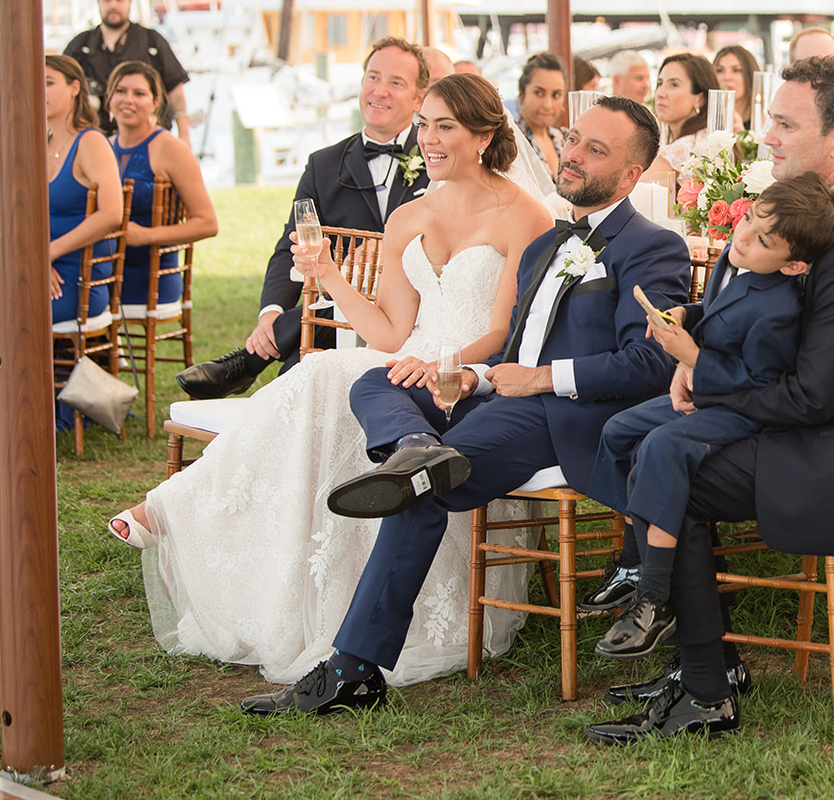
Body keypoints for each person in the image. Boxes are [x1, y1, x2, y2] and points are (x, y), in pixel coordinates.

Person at [238, 96, 691, 715]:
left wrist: (537, 380)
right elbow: (510, 341)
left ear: (633, 175)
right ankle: (412, 446)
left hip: (560, 415)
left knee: (420, 487)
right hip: (494, 394)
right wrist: (471, 376)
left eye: (597, 150)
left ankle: (352, 670)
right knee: (377, 382)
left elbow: (651, 363)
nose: (574, 154)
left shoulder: (652, 247)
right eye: (575, 139)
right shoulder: (548, 245)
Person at [107, 74, 560, 686]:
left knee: (326, 374)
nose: (427, 139)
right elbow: (394, 333)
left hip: (466, 376)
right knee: (327, 371)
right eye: (423, 124)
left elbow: (505, 332)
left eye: (443, 126)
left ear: (484, 135)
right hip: (404, 366)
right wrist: (326, 274)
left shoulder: (524, 215)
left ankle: (177, 504)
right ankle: (394, 463)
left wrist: (442, 365)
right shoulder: (409, 215)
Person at [585, 56, 834, 744]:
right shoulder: (810, 217)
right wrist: (693, 358)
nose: (768, 137)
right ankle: (707, 660)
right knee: (636, 436)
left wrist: (703, 370)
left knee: (675, 469)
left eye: (786, 124)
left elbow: (813, 397)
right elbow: (756, 322)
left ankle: (704, 691)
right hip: (816, 429)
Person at [583, 173, 834, 660]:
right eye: (748, 219)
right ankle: (634, 557)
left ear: (793, 265)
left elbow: (757, 380)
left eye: (762, 239)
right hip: (705, 387)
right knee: (618, 430)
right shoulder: (736, 256)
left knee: (662, 447)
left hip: (741, 407)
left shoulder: (781, 311)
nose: (742, 236)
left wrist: (694, 359)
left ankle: (654, 598)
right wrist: (686, 314)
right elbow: (721, 308)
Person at [174, 37, 433, 399]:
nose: (380, 91)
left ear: (419, 99)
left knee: (306, 340)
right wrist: (270, 313)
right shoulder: (323, 165)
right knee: (296, 367)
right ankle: (271, 361)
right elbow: (291, 246)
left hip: (416, 313)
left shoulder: (436, 159)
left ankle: (247, 363)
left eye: (396, 83)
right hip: (337, 314)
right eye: (373, 78)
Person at [0, 56, 123, 396]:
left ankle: (19, 415)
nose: (40, 90)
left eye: (48, 82)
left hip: (71, 281)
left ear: (74, 87)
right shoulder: (41, 144)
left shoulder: (90, 142)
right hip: (34, 272)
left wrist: (46, 254)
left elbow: (111, 214)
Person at [105, 62, 219, 309]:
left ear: (156, 102)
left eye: (139, 94)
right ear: (109, 98)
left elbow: (208, 223)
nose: (128, 100)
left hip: (150, 275)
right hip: (101, 270)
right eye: (120, 91)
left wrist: (145, 235)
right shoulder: (102, 146)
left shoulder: (171, 149)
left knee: (74, 304)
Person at [64, 0, 193, 146]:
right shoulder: (81, 46)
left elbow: (175, 90)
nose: (113, 5)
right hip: (94, 143)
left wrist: (184, 136)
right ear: (98, 2)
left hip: (149, 143)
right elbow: (62, 92)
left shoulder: (152, 42)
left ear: (129, 2)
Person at [645, 53, 716, 179]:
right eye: (660, 83)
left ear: (699, 99)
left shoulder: (686, 148)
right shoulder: (707, 138)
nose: (660, 93)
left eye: (673, 85)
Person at [513, 52, 568, 180]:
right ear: (522, 94)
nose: (548, 105)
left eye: (556, 95)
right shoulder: (509, 141)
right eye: (539, 93)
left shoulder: (565, 139)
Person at [712, 44, 760, 130]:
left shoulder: (762, 121)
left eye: (736, 70)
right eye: (720, 70)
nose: (727, 77)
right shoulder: (708, 120)